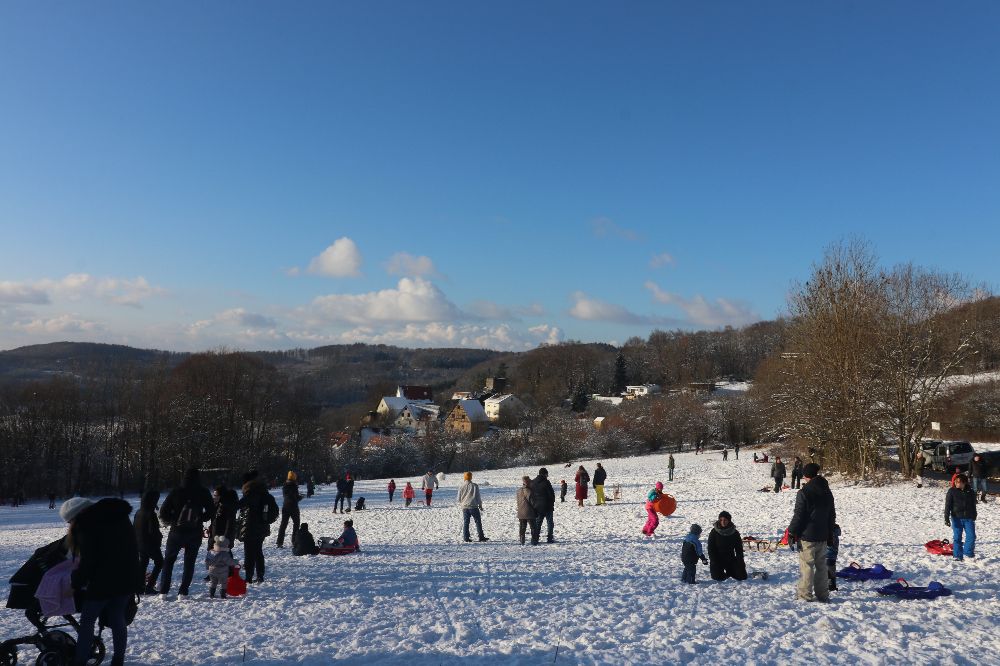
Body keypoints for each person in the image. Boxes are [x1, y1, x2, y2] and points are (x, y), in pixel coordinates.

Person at [67, 497, 143, 666]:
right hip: (127, 577)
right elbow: (132, 548)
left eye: (70, 520)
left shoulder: (87, 525)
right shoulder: (121, 517)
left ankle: (80, 661)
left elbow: (88, 561)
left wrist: (75, 583)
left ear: (78, 514)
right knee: (117, 618)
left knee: (87, 620)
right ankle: (118, 660)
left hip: (102, 582)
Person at [157, 467, 214, 596]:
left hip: (176, 531)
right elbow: (211, 511)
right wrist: (201, 518)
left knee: (169, 560)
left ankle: (164, 591)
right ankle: (183, 592)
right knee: (189, 562)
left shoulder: (176, 491)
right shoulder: (203, 492)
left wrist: (173, 521)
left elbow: (163, 512)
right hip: (195, 531)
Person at [787, 463, 836, 602]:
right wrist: (830, 533)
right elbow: (831, 514)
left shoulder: (804, 492)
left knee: (807, 566)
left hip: (807, 536)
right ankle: (822, 595)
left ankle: (804, 595)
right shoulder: (827, 490)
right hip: (823, 535)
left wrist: (791, 532)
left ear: (806, 476)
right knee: (821, 567)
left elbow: (799, 515)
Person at [236, 470, 279, 584]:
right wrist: (267, 520)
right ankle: (260, 575)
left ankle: (249, 577)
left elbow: (237, 505)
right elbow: (275, 510)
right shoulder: (266, 494)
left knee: (249, 552)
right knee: (258, 551)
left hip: (249, 527)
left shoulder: (250, 494)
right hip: (262, 527)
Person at [133, 490, 163, 594]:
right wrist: (159, 538)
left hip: (139, 544)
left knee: (143, 563)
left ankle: (140, 586)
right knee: (160, 562)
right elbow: (153, 531)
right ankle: (149, 586)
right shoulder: (150, 514)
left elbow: (134, 528)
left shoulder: (138, 512)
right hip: (149, 544)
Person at [707, 511, 748, 581]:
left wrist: (740, 561)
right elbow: (711, 548)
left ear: (729, 520)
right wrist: (713, 560)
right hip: (718, 559)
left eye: (725, 520)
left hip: (730, 558)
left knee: (741, 577)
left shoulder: (734, 532)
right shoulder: (714, 532)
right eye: (721, 520)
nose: (723, 522)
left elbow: (739, 548)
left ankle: (731, 571)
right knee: (718, 578)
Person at [945, 474, 977, 561]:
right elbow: (948, 505)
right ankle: (957, 556)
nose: (957, 483)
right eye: (956, 482)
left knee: (972, 536)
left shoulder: (970, 491)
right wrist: (946, 518)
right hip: (956, 518)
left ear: (964, 482)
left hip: (968, 518)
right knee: (957, 537)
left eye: (959, 482)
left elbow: (973, 504)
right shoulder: (951, 491)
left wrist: (974, 514)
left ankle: (968, 553)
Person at [457, 472, 489, 542]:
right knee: (478, 522)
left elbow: (458, 499)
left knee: (466, 522)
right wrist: (480, 505)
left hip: (465, 507)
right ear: (471, 477)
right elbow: (478, 497)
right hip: (473, 506)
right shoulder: (475, 486)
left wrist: (463, 503)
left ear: (464, 477)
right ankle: (481, 537)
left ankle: (466, 537)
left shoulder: (461, 486)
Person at [529, 468, 556, 544]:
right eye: (547, 474)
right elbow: (551, 494)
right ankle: (549, 538)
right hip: (547, 506)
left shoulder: (533, 482)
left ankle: (535, 539)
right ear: (545, 474)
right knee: (549, 523)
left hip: (537, 506)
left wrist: (533, 504)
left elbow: (531, 495)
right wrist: (552, 502)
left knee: (538, 523)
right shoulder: (546, 482)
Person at [276, 471, 303, 548]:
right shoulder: (294, 486)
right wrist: (300, 497)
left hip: (285, 506)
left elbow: (287, 496)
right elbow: (294, 498)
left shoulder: (285, 485)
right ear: (294, 477)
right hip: (293, 507)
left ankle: (279, 542)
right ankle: (294, 541)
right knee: (296, 523)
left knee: (283, 524)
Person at [516, 476, 537, 545]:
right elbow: (533, 502)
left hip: (521, 512)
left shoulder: (518, 490)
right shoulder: (529, 491)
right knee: (533, 527)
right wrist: (536, 510)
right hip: (529, 512)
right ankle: (534, 540)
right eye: (530, 482)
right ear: (527, 482)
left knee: (522, 527)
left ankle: (522, 540)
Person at [826, 523, 841, 592]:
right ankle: (832, 584)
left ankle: (830, 584)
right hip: (832, 556)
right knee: (831, 569)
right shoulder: (835, 532)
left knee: (828, 569)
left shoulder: (829, 533)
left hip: (827, 555)